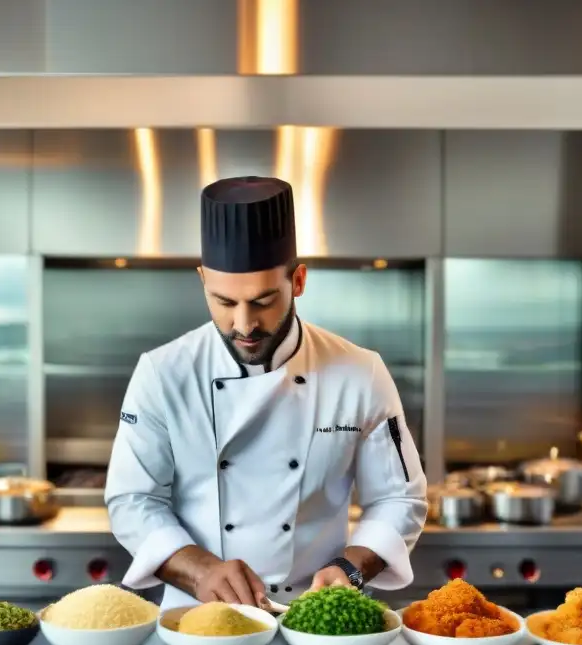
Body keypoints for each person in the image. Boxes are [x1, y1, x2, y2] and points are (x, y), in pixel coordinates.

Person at [105, 176, 428, 610]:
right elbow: (132, 499)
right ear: (202, 280)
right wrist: (200, 571)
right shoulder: (163, 373)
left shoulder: (360, 372)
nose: (243, 324)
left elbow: (399, 496)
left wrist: (351, 568)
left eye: (262, 301)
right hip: (197, 619)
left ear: (298, 281)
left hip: (316, 617)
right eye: (222, 301)